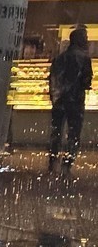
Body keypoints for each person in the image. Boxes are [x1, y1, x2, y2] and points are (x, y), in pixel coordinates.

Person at [48, 26, 92, 170]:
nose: (87, 41)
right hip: (75, 101)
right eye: (85, 38)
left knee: (56, 132)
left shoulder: (60, 58)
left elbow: (52, 79)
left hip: (59, 101)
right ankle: (67, 164)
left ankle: (52, 160)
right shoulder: (84, 58)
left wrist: (54, 97)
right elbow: (86, 81)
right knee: (73, 133)